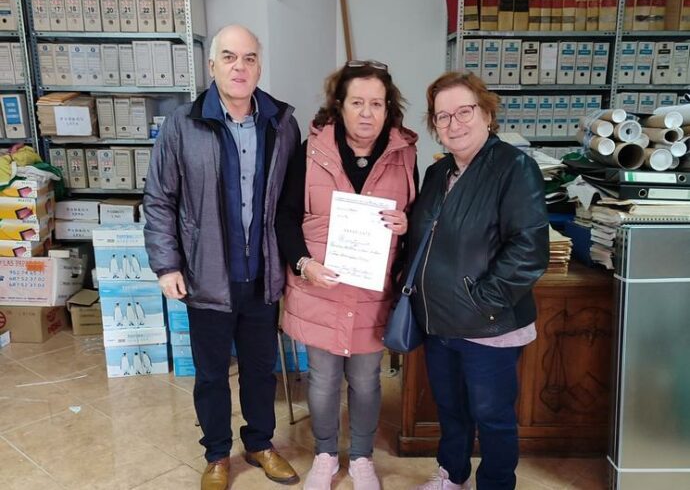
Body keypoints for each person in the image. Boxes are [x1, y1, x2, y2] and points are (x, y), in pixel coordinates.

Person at [143, 25, 301, 490]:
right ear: (211, 66)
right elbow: (159, 199)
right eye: (229, 57)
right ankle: (216, 454)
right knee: (211, 374)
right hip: (205, 273)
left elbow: (292, 201)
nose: (240, 66)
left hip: (262, 275)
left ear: (259, 65)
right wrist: (167, 263)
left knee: (260, 368)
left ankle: (259, 443)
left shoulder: (281, 123)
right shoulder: (182, 124)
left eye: (249, 58)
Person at [276, 60, 418, 490]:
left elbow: (417, 215)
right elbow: (285, 218)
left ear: (388, 108)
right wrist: (305, 265)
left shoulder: (404, 155)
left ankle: (360, 458)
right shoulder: (311, 151)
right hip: (322, 288)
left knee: (366, 380)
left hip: (373, 293)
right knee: (322, 379)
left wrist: (406, 224)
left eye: (377, 103)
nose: (367, 113)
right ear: (339, 105)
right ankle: (323, 455)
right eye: (357, 102)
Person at [409, 72, 549, 490]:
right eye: (443, 116)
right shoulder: (437, 175)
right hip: (440, 323)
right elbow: (427, 238)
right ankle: (452, 475)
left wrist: (482, 302)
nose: (455, 124)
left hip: (490, 325)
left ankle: (495, 483)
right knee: (450, 409)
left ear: (487, 113)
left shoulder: (514, 166)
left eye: (464, 111)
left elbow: (528, 249)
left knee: (493, 416)